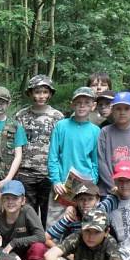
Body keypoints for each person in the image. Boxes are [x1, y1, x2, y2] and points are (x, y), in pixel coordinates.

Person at [46, 87, 100, 227]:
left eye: (87, 102)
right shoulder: (61, 126)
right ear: (72, 104)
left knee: (83, 226)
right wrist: (56, 181)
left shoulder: (95, 131)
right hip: (62, 186)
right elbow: (53, 156)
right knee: (56, 225)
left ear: (93, 106)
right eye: (78, 102)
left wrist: (92, 182)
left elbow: (95, 161)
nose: (82, 106)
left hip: (84, 187)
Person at [15, 75, 64, 227]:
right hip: (26, 171)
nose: (41, 96)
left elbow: (60, 147)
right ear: (30, 93)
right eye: (37, 92)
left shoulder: (57, 117)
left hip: (48, 173)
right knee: (27, 212)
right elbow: (15, 144)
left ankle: (45, 244)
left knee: (47, 213)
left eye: (44, 92)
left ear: (50, 94)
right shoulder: (21, 116)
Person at [97, 91, 130, 195]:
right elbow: (101, 161)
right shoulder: (104, 132)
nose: (122, 112)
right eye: (118, 108)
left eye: (126, 108)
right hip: (108, 190)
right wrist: (112, 185)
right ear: (112, 110)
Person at [45, 181, 101, 247]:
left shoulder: (102, 211)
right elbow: (45, 238)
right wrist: (62, 252)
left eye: (90, 199)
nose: (86, 202)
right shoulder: (71, 217)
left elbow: (114, 197)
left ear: (97, 200)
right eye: (82, 199)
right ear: (76, 201)